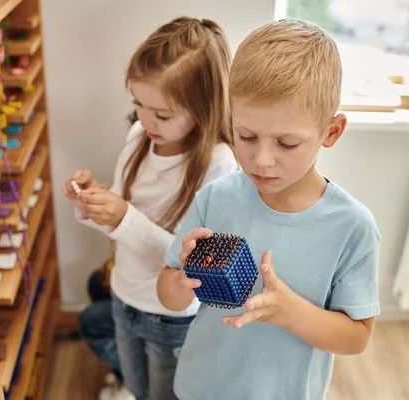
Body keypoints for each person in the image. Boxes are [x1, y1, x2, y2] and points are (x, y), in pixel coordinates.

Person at [157, 19, 381, 400]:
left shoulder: (351, 227)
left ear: (331, 132)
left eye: (287, 144)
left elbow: (356, 338)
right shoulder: (215, 198)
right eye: (246, 137)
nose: (262, 160)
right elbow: (168, 293)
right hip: (199, 387)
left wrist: (291, 311)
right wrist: (183, 280)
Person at [62, 16, 238, 400]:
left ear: (203, 109)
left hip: (169, 317)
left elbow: (191, 260)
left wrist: (123, 216)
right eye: (138, 104)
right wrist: (91, 201)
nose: (145, 120)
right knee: (139, 388)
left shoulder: (217, 164)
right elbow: (122, 221)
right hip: (126, 296)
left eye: (162, 114)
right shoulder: (139, 135)